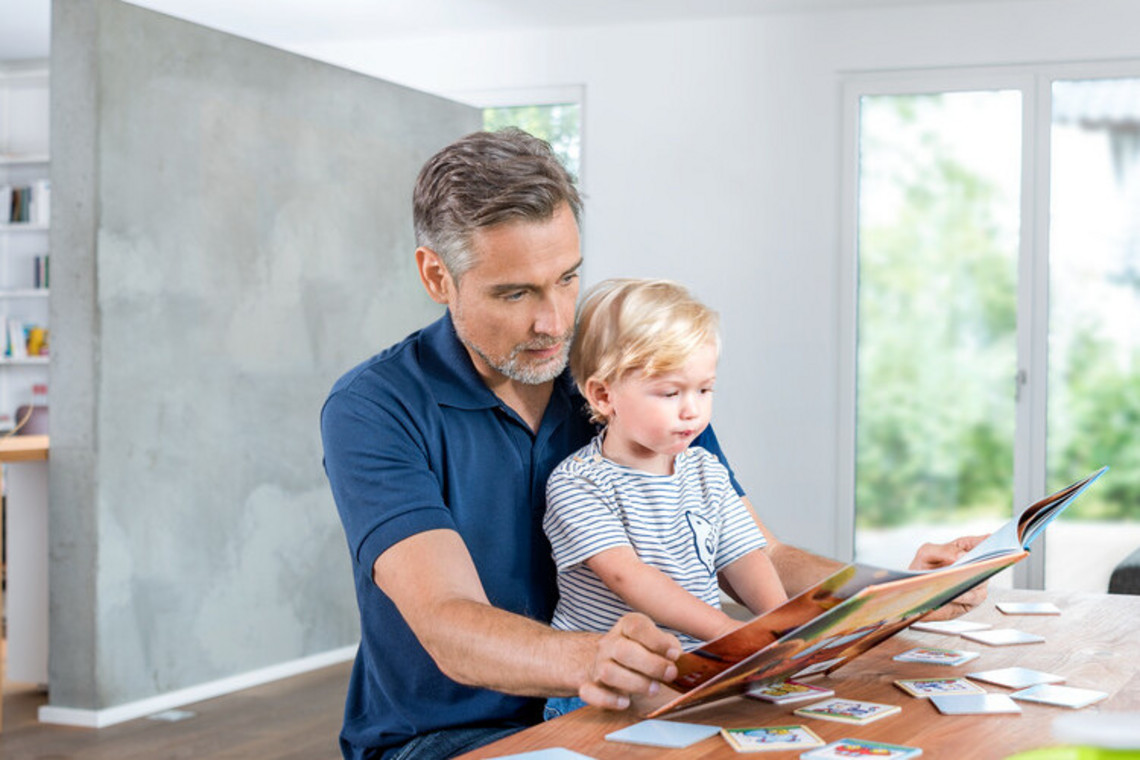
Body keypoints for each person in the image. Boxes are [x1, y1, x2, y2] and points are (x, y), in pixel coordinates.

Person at [320, 127, 987, 760]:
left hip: (631, 704)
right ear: (437, 277)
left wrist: (900, 589)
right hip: (447, 735)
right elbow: (446, 620)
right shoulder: (375, 408)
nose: (554, 322)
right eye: (516, 292)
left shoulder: (627, 373)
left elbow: (761, 555)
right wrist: (589, 657)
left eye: (567, 278)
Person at [541, 278, 790, 719]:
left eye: (704, 389)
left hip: (698, 670)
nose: (692, 409)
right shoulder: (579, 483)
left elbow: (745, 557)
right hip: (607, 685)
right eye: (671, 393)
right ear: (604, 395)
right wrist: (728, 632)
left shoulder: (705, 471)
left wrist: (782, 625)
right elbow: (628, 578)